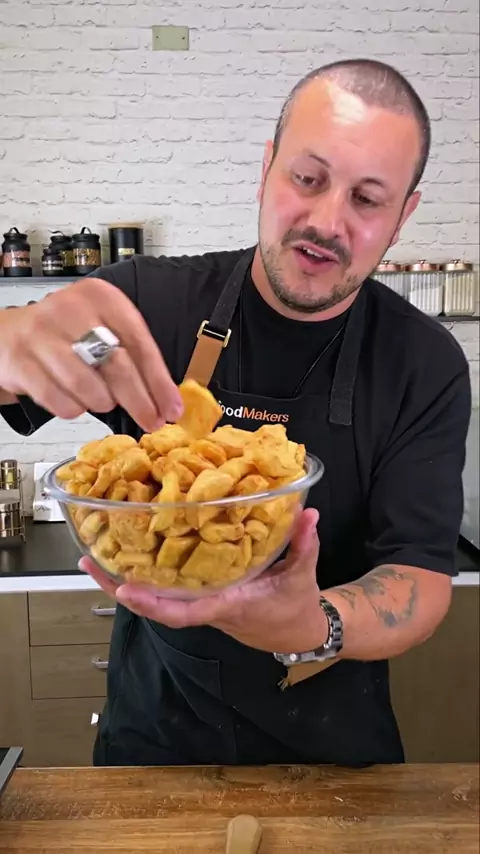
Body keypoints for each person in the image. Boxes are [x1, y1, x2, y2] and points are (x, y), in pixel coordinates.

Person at [0, 59, 471, 768]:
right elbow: (30, 357)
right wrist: (10, 339)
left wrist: (313, 624)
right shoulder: (143, 305)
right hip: (153, 742)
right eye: (306, 178)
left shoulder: (423, 363)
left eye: (368, 199)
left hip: (335, 752)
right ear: (266, 168)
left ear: (403, 216)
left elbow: (420, 578)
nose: (326, 221)